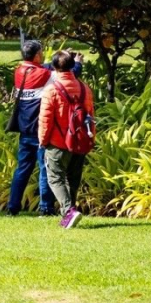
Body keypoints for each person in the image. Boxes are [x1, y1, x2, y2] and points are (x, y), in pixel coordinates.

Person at [4, 40, 67, 217]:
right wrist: (74, 62)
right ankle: (46, 208)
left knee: (22, 169)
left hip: (24, 130)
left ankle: (12, 207)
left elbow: (42, 67)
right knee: (45, 169)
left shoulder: (20, 71)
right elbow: (65, 74)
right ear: (37, 55)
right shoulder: (45, 75)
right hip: (40, 131)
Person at [39, 49, 96, 230]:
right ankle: (69, 213)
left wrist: (43, 140)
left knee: (55, 177)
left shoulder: (51, 90)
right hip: (79, 141)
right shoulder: (84, 88)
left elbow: (46, 120)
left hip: (58, 142)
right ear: (73, 66)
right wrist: (90, 138)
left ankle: (69, 211)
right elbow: (90, 115)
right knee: (73, 178)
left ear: (54, 67)